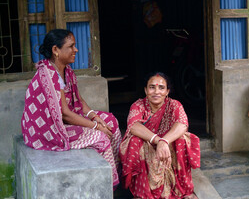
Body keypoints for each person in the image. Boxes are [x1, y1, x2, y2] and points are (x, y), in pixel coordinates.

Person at [21, 29, 122, 187]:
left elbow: (79, 101)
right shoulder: (48, 75)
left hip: (65, 119)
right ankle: (106, 187)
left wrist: (95, 118)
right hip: (50, 129)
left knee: (111, 122)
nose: (76, 50)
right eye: (71, 46)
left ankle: (115, 174)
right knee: (101, 138)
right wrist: (96, 127)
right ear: (56, 50)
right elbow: (65, 114)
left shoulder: (66, 71)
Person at [119, 72, 200, 199]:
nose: (156, 91)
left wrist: (164, 142)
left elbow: (183, 124)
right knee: (134, 141)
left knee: (182, 139)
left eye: (161, 88)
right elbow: (133, 126)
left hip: (168, 148)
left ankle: (183, 190)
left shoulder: (174, 105)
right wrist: (158, 140)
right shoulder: (138, 105)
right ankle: (142, 193)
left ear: (167, 91)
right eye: (152, 87)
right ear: (146, 90)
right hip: (147, 145)